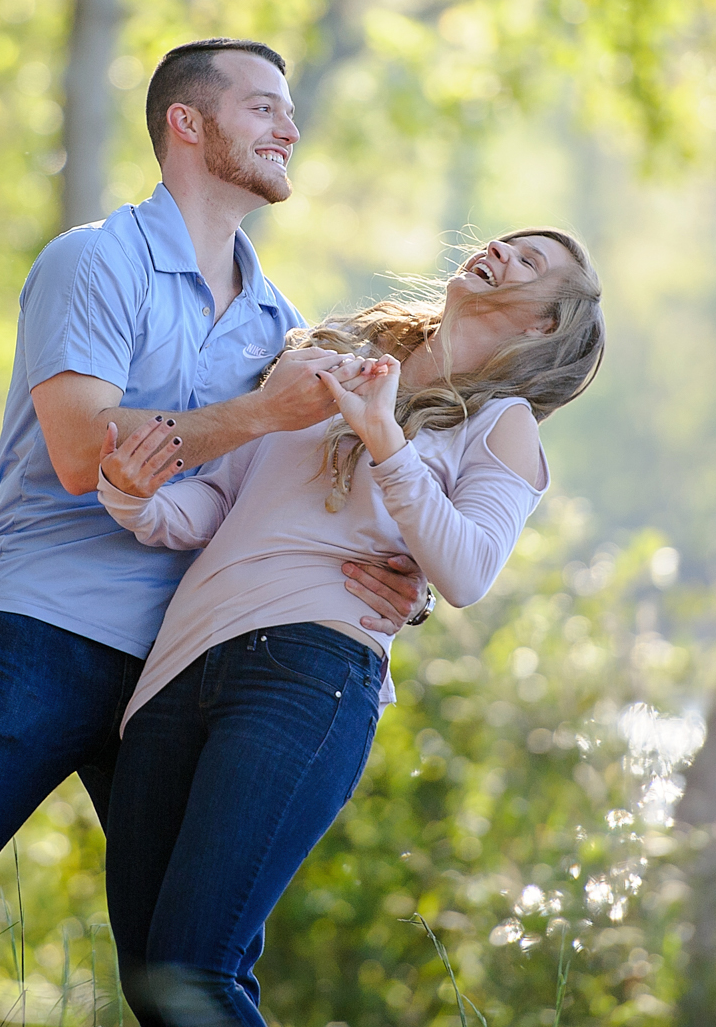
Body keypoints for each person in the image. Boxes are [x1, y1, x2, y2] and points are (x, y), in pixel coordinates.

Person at [0, 39, 428, 1027]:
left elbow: (291, 500)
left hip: (179, 675)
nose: (288, 129)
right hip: (41, 636)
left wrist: (393, 574)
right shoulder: (95, 261)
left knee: (189, 966)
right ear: (186, 123)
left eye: (287, 111)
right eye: (261, 108)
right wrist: (257, 416)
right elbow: (84, 453)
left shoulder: (278, 325)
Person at [92, 228, 605, 1027]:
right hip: (176, 668)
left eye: (530, 262)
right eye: (504, 241)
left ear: (544, 324)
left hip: (307, 668)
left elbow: (466, 568)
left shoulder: (502, 423)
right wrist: (131, 494)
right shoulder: (333, 355)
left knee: (195, 969)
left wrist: (384, 437)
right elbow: (220, 501)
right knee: (153, 979)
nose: (501, 252)